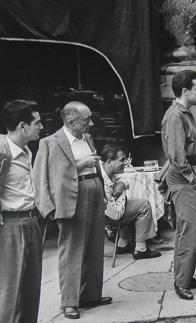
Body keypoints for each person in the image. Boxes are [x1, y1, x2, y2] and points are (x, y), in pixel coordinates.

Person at [33, 101, 111, 319]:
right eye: (87, 120)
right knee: (72, 250)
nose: (91, 123)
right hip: (70, 198)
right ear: (70, 121)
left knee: (95, 246)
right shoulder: (50, 143)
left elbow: (95, 167)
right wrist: (47, 208)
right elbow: (39, 178)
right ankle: (69, 302)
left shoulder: (87, 138)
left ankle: (91, 295)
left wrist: (103, 193)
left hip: (93, 191)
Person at [161, 69, 196, 300]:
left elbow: (191, 147)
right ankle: (182, 282)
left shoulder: (184, 113)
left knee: (189, 230)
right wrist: (194, 178)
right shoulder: (175, 116)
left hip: (192, 176)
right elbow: (177, 157)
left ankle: (186, 275)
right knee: (187, 231)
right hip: (185, 179)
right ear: (185, 91)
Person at [0, 100, 43, 323]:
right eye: (37, 122)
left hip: (30, 221)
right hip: (10, 226)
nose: (41, 126)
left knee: (30, 290)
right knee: (10, 293)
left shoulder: (26, 151)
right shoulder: (2, 150)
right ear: (22, 126)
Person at [99, 144, 161, 260]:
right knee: (144, 205)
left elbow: (124, 178)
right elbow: (116, 215)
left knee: (130, 205)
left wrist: (121, 184)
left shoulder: (106, 169)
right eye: (121, 160)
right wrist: (122, 194)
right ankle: (141, 249)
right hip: (107, 219)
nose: (125, 163)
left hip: (108, 212)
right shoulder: (102, 179)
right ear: (109, 161)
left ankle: (123, 243)